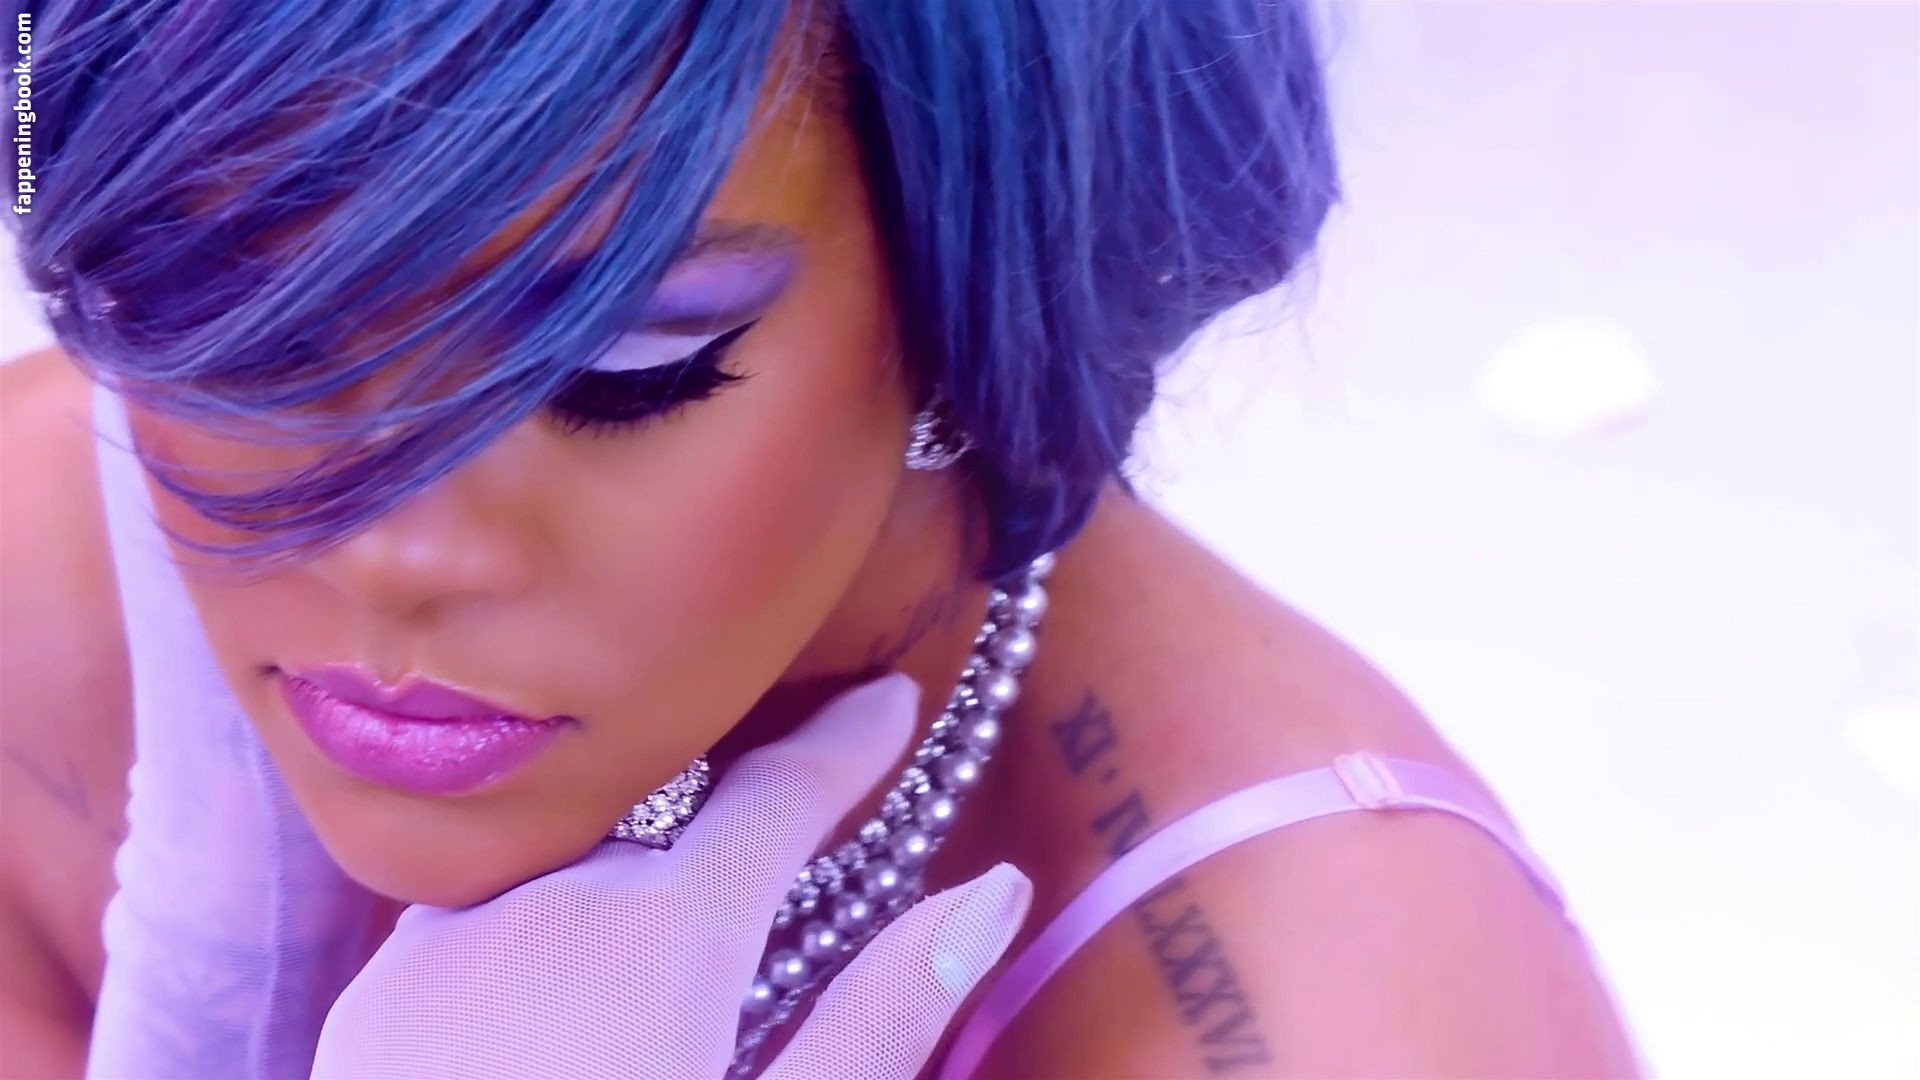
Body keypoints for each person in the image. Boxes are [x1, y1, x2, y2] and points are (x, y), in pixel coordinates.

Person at [0, 0, 1643, 1076]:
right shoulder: (46, 565)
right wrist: (211, 981)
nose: (395, 548)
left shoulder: (1326, 1011)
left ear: (968, 308)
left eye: (619, 376)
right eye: (248, 320)